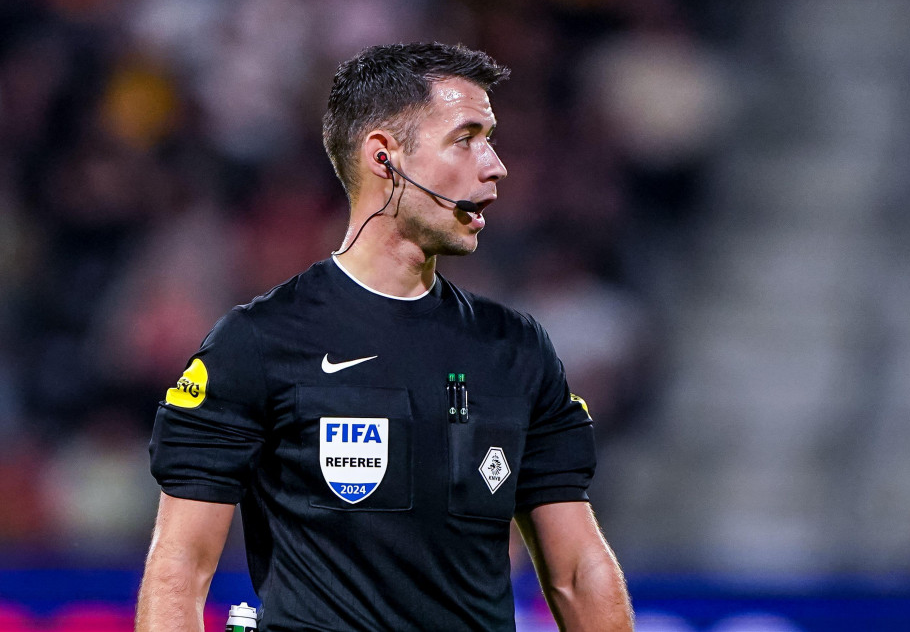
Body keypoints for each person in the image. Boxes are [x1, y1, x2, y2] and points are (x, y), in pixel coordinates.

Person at [135, 42, 634, 631]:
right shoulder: (258, 343)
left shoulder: (517, 349)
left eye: (490, 138)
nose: (495, 164)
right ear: (384, 157)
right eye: (466, 137)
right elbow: (180, 572)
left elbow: (576, 571)